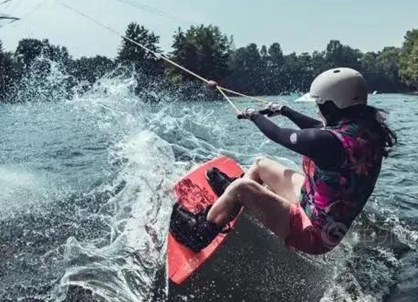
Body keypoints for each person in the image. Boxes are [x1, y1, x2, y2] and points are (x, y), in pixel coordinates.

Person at [169, 67, 397, 254]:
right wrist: (285, 110)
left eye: (320, 105)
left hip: (314, 234)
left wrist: (254, 115)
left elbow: (279, 135)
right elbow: (319, 128)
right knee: (261, 165)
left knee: (242, 187)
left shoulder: (327, 142)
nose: (318, 111)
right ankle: (231, 199)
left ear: (332, 106)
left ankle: (200, 233)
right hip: (319, 208)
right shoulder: (365, 131)